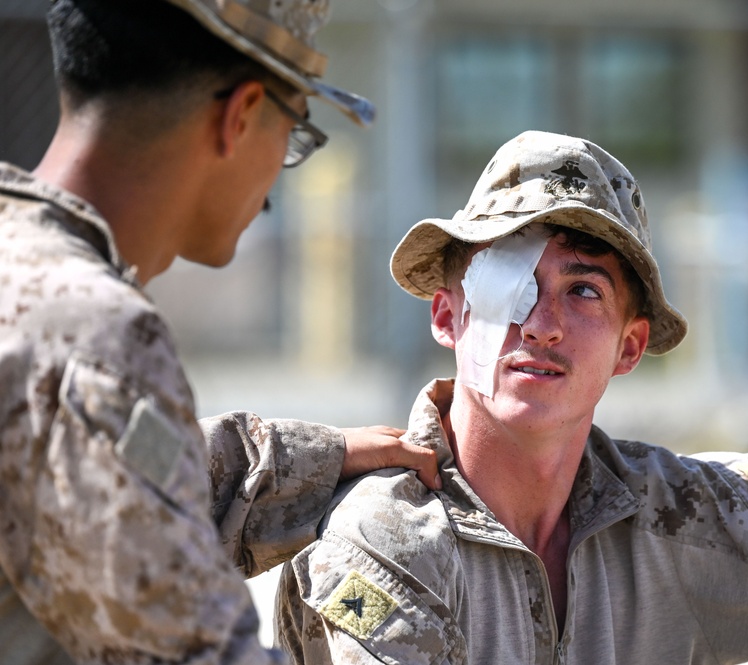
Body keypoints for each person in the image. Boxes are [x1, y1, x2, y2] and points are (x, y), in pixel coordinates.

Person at [273, 130, 748, 665]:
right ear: (447, 316)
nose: (540, 323)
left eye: (582, 289)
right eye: (508, 281)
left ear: (628, 345)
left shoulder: (681, 515)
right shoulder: (387, 535)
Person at [0, 1, 441, 663]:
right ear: (240, 116)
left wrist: (315, 459)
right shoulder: (96, 337)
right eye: (295, 132)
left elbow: (90, 480)